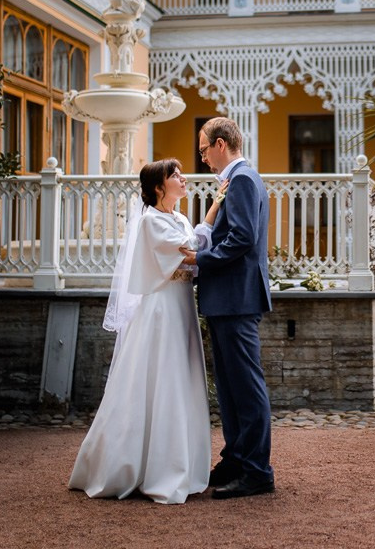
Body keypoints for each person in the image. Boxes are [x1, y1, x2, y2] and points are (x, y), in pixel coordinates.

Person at [68, 159, 225, 503]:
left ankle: (180, 464)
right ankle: (147, 468)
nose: (183, 178)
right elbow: (191, 250)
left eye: (181, 173)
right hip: (161, 309)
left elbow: (194, 244)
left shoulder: (178, 218)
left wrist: (213, 210)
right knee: (161, 379)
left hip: (181, 305)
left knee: (182, 378)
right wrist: (213, 210)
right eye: (175, 175)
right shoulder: (150, 221)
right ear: (158, 187)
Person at [179, 117, 274, 499]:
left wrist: (200, 259)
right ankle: (235, 460)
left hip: (237, 298)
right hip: (227, 298)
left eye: (204, 150)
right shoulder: (236, 180)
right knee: (231, 389)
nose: (202, 158)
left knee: (246, 388)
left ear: (221, 144)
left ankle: (257, 471)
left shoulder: (244, 179)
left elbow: (242, 238)